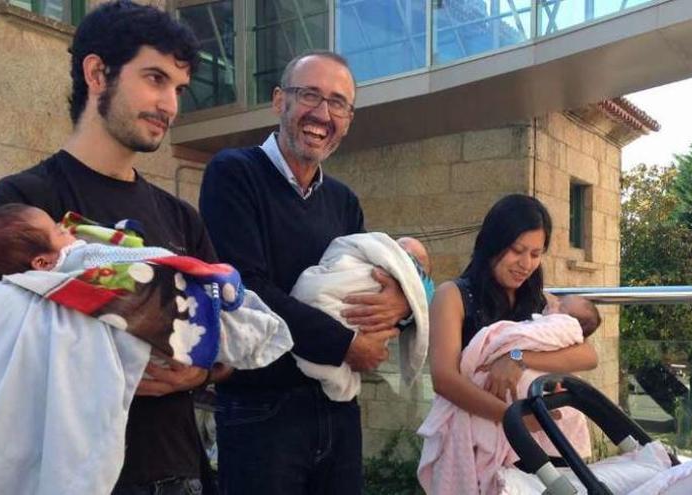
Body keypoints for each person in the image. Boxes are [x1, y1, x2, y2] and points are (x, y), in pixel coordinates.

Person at [0, 2, 217, 492]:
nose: (171, 105)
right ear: (97, 73)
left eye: (178, 89)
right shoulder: (25, 200)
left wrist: (196, 373)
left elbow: (222, 334)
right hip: (62, 472)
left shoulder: (180, 216)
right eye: (155, 79)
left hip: (173, 471)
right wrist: (93, 348)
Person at [199, 50, 411, 494]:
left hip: (337, 407)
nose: (322, 113)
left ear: (349, 119)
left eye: (338, 103)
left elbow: (364, 275)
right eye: (309, 95)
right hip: (262, 408)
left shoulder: (343, 200)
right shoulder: (234, 173)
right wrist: (347, 345)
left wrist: (403, 299)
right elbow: (247, 290)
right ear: (280, 101)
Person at [0, 203, 293, 371]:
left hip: (174, 449)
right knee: (229, 327)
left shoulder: (176, 211)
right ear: (42, 264)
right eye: (58, 232)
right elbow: (142, 260)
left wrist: (200, 374)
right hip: (161, 338)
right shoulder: (77, 258)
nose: (68, 231)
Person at [421, 194, 599, 493]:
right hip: (487, 435)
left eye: (535, 253)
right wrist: (517, 421)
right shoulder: (453, 296)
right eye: (517, 251)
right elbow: (444, 379)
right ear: (492, 243)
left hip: (536, 448)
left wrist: (518, 357)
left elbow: (587, 354)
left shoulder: (540, 300)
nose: (526, 264)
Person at [289, 232, 434, 402]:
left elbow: (420, 303)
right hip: (311, 304)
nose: (403, 255)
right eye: (399, 248)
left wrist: (408, 301)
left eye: (415, 262)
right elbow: (346, 253)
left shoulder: (347, 206)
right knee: (315, 294)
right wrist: (345, 343)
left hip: (306, 334)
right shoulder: (372, 249)